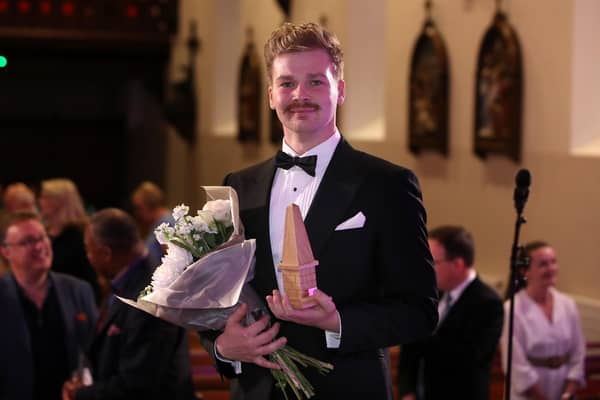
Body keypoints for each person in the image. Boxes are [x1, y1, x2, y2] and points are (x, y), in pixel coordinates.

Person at [207, 22, 438, 400]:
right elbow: (215, 295)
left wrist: (337, 322)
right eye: (286, 83)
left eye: (316, 81)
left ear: (340, 90)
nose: (300, 94)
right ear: (270, 95)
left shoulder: (387, 185)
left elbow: (420, 310)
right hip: (256, 390)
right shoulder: (237, 186)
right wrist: (223, 349)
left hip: (346, 388)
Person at [62, 208, 196, 400]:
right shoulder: (130, 283)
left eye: (88, 250)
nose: (88, 257)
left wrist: (80, 395)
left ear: (105, 253)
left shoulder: (149, 296)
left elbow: (138, 383)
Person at [397, 225, 504, 400]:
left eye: (432, 262)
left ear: (457, 264)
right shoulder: (430, 295)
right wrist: (407, 390)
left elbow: (467, 360)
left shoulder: (487, 303)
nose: (426, 269)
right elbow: (410, 349)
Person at [0, 211, 97, 400]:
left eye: (42, 237)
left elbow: (94, 351)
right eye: (27, 241)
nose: (39, 246)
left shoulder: (78, 290)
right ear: (6, 251)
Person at [500, 241, 586, 400]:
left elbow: (578, 354)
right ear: (524, 271)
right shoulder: (512, 309)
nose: (551, 268)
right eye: (543, 264)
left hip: (563, 392)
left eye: (553, 262)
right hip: (528, 395)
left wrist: (567, 393)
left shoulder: (568, 304)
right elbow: (515, 365)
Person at [39, 178, 102, 303]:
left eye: (44, 197)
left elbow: (89, 279)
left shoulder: (78, 236)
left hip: (72, 303)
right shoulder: (44, 232)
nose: (39, 201)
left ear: (58, 202)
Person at [130, 181, 174, 268]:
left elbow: (173, 261)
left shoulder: (166, 224)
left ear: (150, 203)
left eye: (139, 207)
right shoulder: (157, 224)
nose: (137, 213)